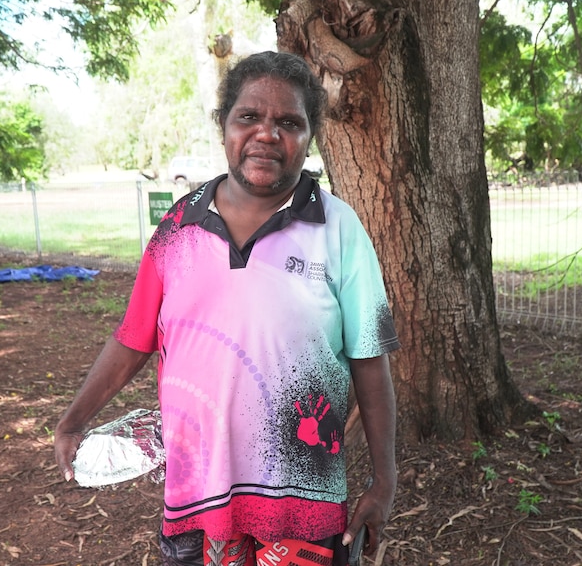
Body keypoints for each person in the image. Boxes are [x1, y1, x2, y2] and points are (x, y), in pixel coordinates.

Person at [55, 51, 400, 566]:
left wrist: (384, 480)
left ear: (310, 137)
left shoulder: (340, 228)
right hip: (199, 495)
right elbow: (132, 339)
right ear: (224, 127)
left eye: (289, 122)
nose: (266, 134)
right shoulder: (178, 229)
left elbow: (370, 360)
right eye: (249, 117)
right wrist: (73, 421)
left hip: (303, 494)